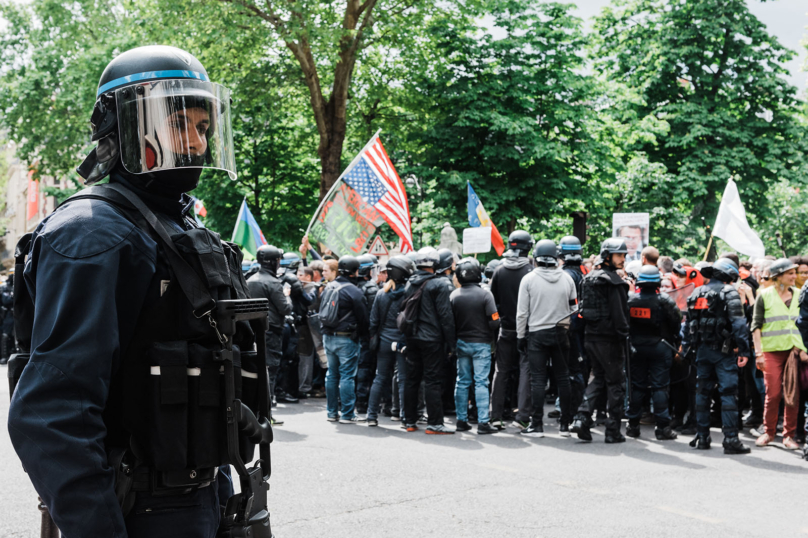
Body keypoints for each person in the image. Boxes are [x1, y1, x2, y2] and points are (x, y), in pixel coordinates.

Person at [8, 46, 258, 537]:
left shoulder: (174, 224)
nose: (195, 143)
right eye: (178, 123)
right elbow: (53, 414)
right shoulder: (92, 233)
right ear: (123, 130)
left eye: (204, 128)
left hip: (205, 495)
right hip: (141, 509)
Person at [683, 258, 751, 454]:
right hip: (724, 352)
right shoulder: (729, 292)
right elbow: (738, 324)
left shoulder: (697, 292)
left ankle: (702, 437)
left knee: (702, 392)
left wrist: (688, 347)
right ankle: (730, 440)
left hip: (702, 351)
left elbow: (689, 324)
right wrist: (744, 350)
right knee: (728, 393)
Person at [516, 240, 577, 437]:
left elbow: (522, 313)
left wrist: (520, 336)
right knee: (562, 378)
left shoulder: (528, 279)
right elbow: (574, 308)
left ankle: (537, 425)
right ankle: (565, 425)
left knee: (538, 380)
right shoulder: (567, 278)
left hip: (537, 333)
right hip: (561, 333)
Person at [572, 238, 630, 443]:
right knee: (616, 383)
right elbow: (620, 315)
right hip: (609, 340)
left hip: (590, 338)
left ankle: (582, 417)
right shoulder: (614, 282)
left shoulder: (587, 279)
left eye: (623, 255)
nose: (623, 258)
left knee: (597, 379)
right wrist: (625, 337)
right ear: (607, 256)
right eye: (619, 255)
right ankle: (613, 430)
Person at [751, 258, 804, 450]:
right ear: (778, 276)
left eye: (794, 273)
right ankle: (769, 432)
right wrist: (759, 354)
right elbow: (755, 326)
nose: (794, 276)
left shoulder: (800, 294)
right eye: (790, 273)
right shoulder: (764, 295)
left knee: (792, 394)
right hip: (771, 351)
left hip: (794, 351)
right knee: (773, 394)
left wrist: (804, 349)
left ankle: (788, 436)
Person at [402, 248, 457, 434]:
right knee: (433, 380)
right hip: (432, 339)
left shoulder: (410, 283)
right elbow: (445, 316)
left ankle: (409, 421)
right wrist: (451, 343)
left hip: (412, 336)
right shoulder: (439, 284)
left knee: (412, 379)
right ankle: (434, 423)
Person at [625, 266, 681, 440]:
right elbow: (676, 323)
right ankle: (662, 428)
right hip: (660, 347)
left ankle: (633, 425)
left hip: (636, 348)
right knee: (660, 387)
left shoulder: (630, 300)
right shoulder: (665, 300)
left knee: (636, 386)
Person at [490, 230, 535, 430]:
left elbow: (492, 302)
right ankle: (523, 416)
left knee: (501, 372)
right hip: (527, 329)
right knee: (526, 370)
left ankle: (495, 416)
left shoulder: (499, 270)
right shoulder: (532, 271)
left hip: (505, 329)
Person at [450, 257, 499, 435]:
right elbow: (494, 321)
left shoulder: (454, 295)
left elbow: (450, 322)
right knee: (481, 382)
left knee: (462, 382)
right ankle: (483, 422)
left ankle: (461, 420)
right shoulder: (486, 294)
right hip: (482, 344)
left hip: (462, 342)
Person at [320, 256, 368, 423]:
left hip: (328, 337)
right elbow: (363, 319)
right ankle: (347, 414)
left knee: (332, 374)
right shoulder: (354, 291)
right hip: (346, 339)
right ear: (356, 271)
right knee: (347, 376)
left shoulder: (328, 287)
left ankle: (332, 413)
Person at [366, 256, 413, 426]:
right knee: (403, 379)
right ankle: (405, 417)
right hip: (402, 341)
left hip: (384, 341)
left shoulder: (381, 294)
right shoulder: (409, 294)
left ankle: (371, 416)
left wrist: (375, 337)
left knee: (380, 377)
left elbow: (373, 321)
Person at [248, 245, 294, 410]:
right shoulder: (274, 283)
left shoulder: (250, 280)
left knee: (255, 369)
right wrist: (287, 296)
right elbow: (285, 308)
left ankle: (258, 409)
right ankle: (266, 411)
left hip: (252, 330)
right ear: (274, 261)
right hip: (271, 331)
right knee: (270, 370)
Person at [355, 254, 380, 415]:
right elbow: (374, 315)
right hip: (366, 335)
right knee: (365, 367)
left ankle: (346, 402)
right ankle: (362, 402)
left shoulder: (351, 285)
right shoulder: (371, 288)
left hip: (352, 333)